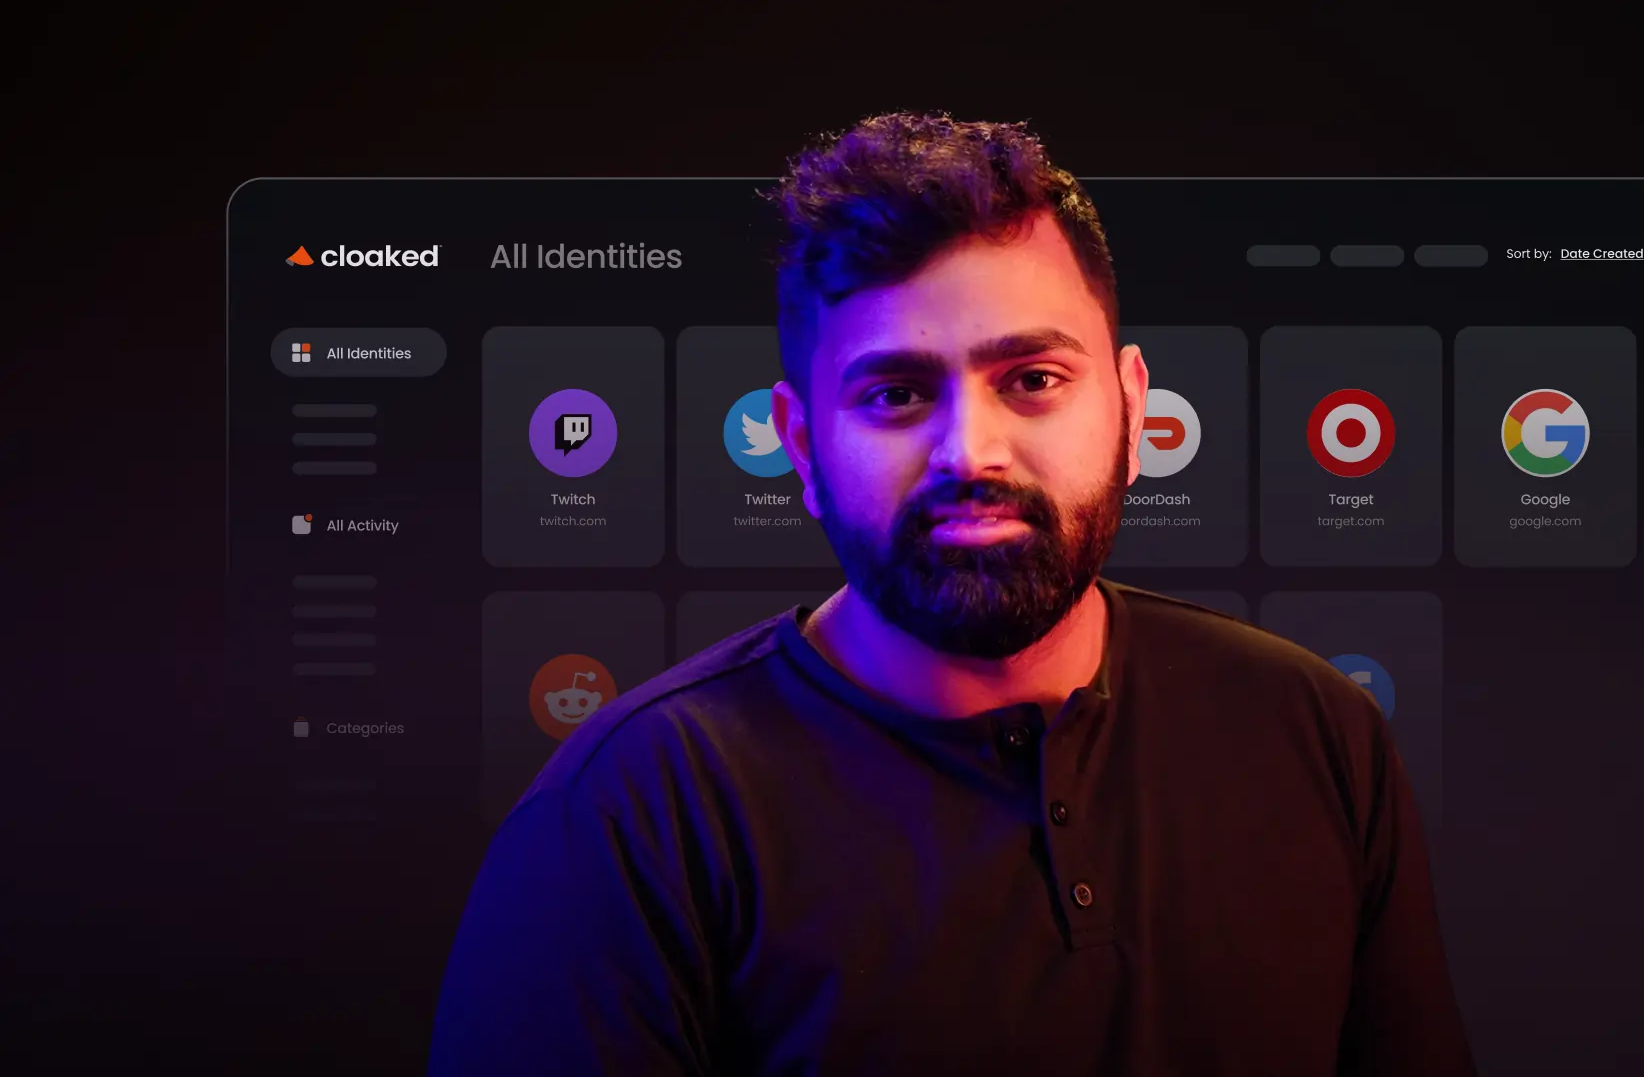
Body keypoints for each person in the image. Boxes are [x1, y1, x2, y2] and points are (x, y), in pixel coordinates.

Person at [429, 112, 1476, 1076]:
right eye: (895, 394)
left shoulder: (1313, 730)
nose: (969, 452)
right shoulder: (631, 816)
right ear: (800, 443)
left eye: (1032, 379)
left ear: (1131, 405)